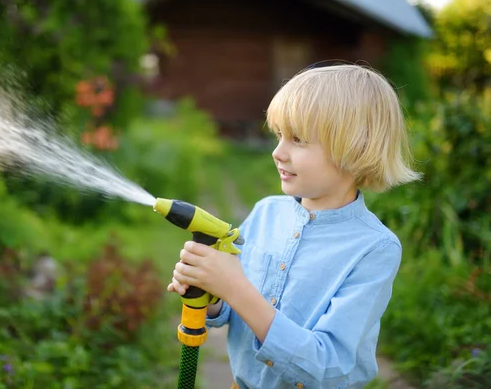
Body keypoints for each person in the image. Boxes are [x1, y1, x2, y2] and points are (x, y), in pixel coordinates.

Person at [167, 64, 421, 389]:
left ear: (355, 147)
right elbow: (232, 307)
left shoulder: (374, 249)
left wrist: (235, 287)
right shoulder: (265, 213)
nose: (277, 152)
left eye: (298, 139)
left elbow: (328, 366)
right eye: (278, 136)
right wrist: (213, 292)